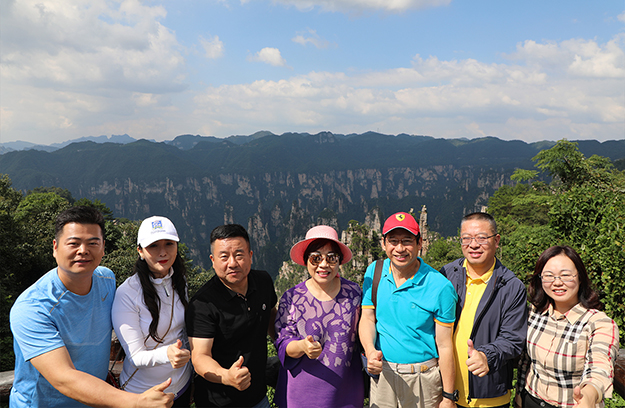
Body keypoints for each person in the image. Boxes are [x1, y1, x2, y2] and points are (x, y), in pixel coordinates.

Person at [10, 206, 173, 408]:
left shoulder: (107, 280)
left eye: (92, 243)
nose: (83, 251)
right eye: (73, 243)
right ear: (55, 247)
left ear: (103, 247)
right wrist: (137, 401)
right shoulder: (32, 308)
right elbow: (64, 378)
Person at [359, 211, 458, 408]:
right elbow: (368, 318)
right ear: (383, 244)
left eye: (407, 241)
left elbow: (445, 345)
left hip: (422, 380)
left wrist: (448, 397)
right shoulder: (374, 272)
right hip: (383, 376)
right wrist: (370, 351)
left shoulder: (440, 287)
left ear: (420, 243)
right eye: (393, 241)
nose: (400, 248)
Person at [439, 212, 527, 408]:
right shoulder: (446, 275)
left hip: (489, 396)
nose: (473, 245)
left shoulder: (511, 286)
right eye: (466, 238)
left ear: (496, 240)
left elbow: (513, 339)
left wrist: (487, 355)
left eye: (481, 238)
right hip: (445, 393)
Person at [515, 245, 620, 408]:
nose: (557, 282)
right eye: (549, 276)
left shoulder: (599, 323)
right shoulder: (533, 313)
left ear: (580, 277)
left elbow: (600, 367)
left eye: (565, 275)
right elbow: (526, 362)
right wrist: (519, 395)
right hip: (531, 399)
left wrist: (589, 396)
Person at [186, 224, 278, 408]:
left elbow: (271, 316)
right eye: (224, 257)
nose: (232, 263)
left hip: (259, 397)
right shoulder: (203, 304)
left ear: (250, 256)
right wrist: (227, 376)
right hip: (219, 402)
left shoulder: (263, 281)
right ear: (212, 260)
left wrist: (287, 346)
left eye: (239, 255)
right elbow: (200, 357)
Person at [274, 225, 364, 408]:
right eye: (315, 258)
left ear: (339, 261)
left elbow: (366, 329)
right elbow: (282, 343)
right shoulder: (292, 297)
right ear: (306, 260)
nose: (323, 265)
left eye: (331, 258)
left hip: (346, 394)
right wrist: (302, 346)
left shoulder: (354, 293)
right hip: (301, 396)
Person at [112, 216, 193, 406]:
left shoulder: (179, 280)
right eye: (153, 246)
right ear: (140, 251)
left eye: (169, 244)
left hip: (181, 387)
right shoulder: (127, 293)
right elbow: (136, 356)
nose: (163, 252)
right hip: (145, 395)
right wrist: (168, 354)